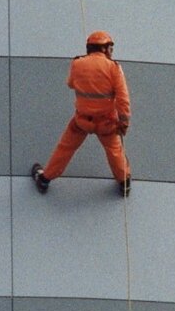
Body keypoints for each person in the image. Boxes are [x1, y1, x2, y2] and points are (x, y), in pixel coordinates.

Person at [32, 32, 132, 196]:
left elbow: (71, 84)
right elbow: (123, 99)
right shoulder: (114, 68)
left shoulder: (77, 64)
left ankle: (45, 179)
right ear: (105, 49)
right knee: (115, 150)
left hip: (82, 120)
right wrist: (124, 122)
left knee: (65, 148)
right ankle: (124, 182)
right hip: (107, 123)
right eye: (110, 48)